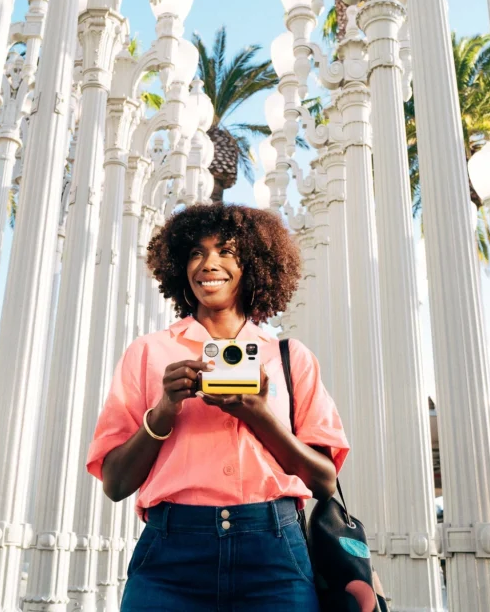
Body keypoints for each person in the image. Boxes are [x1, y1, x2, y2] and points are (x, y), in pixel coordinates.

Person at [86, 202, 349, 612]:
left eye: (226, 252)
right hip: (171, 556)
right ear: (179, 267)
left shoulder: (288, 357)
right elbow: (116, 485)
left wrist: (260, 417)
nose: (209, 263)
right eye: (196, 252)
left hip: (274, 555)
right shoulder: (148, 353)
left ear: (254, 266)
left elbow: (324, 481)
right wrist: (164, 410)